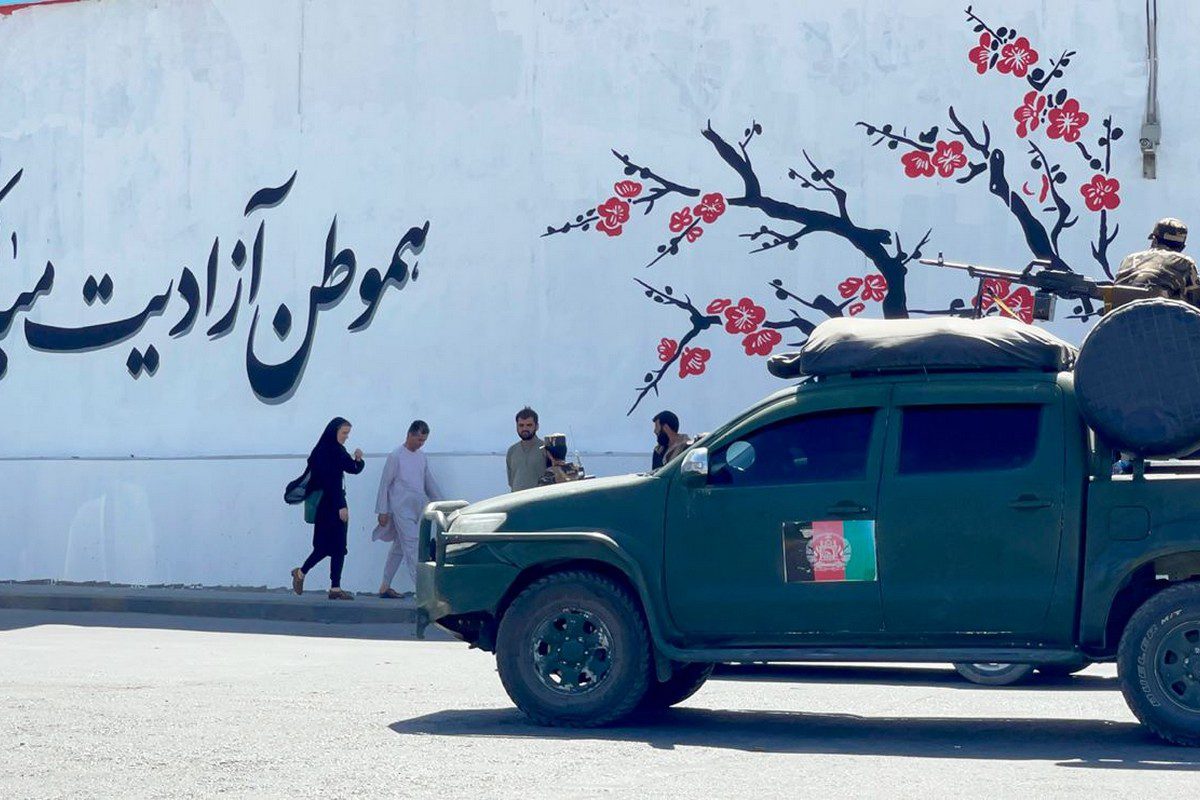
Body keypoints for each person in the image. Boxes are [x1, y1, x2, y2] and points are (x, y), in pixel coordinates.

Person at [291, 417, 365, 600]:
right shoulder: (327, 451)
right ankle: (300, 573)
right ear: (334, 432)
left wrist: (358, 460)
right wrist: (341, 505)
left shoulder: (336, 450)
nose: (347, 437)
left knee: (339, 547)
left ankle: (335, 588)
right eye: (344, 433)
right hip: (329, 504)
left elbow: (351, 468)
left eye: (348, 433)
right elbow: (330, 481)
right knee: (324, 547)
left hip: (335, 501)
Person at [374, 420, 444, 599]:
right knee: (413, 546)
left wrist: (442, 503)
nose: (421, 443)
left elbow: (429, 482)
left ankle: (384, 586)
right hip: (401, 508)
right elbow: (385, 484)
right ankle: (423, 590)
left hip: (417, 508)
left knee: (399, 547)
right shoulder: (395, 456)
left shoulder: (422, 457)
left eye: (424, 441)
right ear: (410, 435)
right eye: (419, 439)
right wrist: (382, 510)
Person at [1114, 218, 1199, 302]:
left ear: (1154, 240)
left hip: (1122, 313)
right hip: (1160, 312)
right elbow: (1196, 302)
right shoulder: (1185, 262)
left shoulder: (1129, 259)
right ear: (1182, 247)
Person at [506, 406, 544, 492]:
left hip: (540, 501)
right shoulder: (512, 451)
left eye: (529, 425)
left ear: (537, 426)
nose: (525, 429)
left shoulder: (546, 449)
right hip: (517, 501)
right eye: (521, 425)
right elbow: (511, 482)